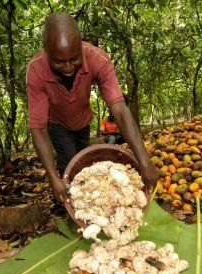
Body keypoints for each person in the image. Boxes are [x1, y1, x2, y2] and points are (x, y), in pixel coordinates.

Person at [26, 13, 159, 205]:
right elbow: (38, 127)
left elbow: (120, 110)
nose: (68, 67)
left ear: (81, 45)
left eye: (74, 59)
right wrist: (52, 178)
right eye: (59, 62)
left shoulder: (97, 58)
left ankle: (93, 202)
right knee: (69, 164)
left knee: (85, 162)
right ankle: (73, 209)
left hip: (83, 120)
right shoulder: (36, 70)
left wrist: (144, 162)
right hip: (57, 123)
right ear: (46, 52)